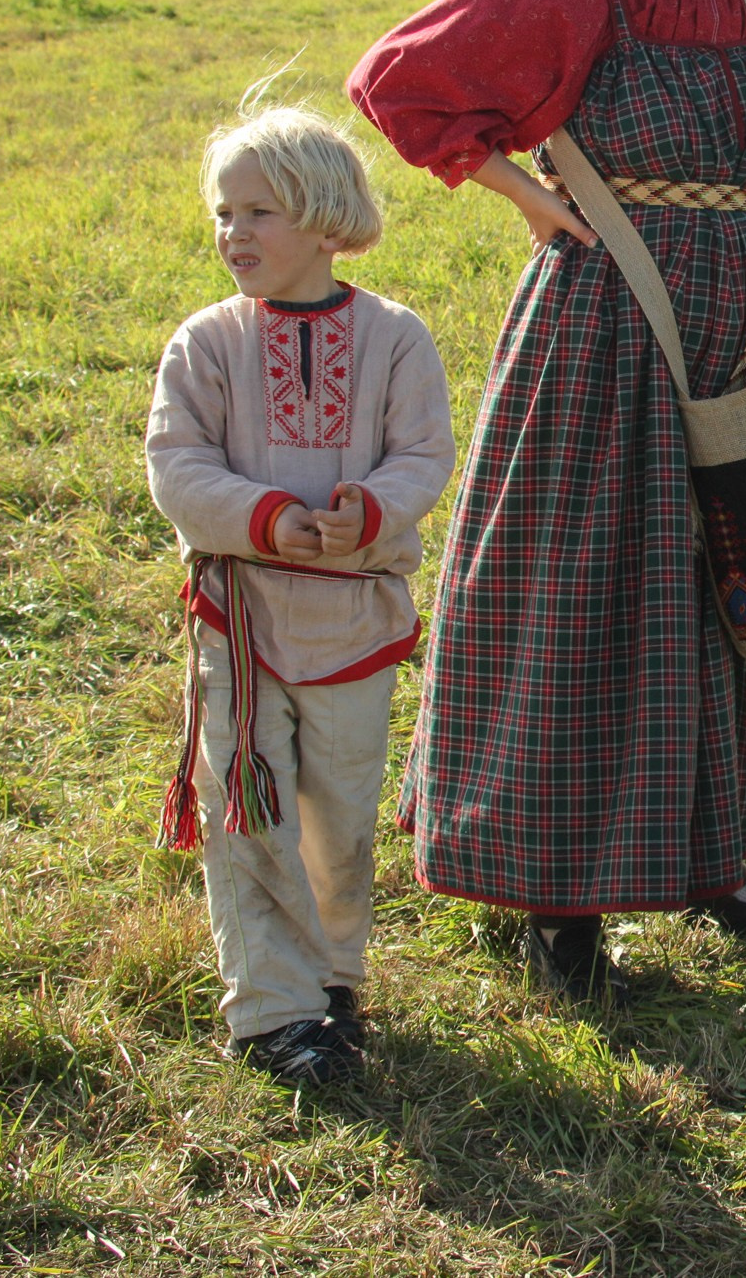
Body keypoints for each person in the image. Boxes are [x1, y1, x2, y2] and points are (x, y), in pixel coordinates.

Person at [346, 0, 746, 1002]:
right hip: (602, 327)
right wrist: (528, 192)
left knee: (719, 598)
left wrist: (731, 238)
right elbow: (398, 80)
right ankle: (555, 897)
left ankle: (714, 860)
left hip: (738, 321)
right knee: (579, 595)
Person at [146, 102, 456, 1084]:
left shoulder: (396, 338)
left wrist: (365, 511)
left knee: (339, 809)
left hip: (354, 619)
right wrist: (267, 515)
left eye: (259, 212)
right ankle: (272, 1010)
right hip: (240, 623)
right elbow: (176, 466)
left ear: (326, 218)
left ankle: (331, 980)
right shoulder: (204, 343)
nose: (234, 232)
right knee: (247, 809)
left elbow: (423, 453)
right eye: (224, 212)